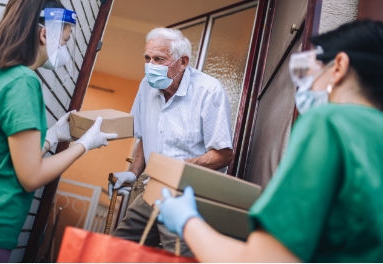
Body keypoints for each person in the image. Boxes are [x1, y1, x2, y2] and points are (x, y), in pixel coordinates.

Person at [156, 20, 383, 262]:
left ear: (338, 66)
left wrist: (187, 220)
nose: (308, 85)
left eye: (316, 72)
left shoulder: (328, 122)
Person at [0, 0, 116, 262]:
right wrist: (83, 145)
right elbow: (31, 176)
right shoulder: (23, 82)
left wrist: (51, 137)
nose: (63, 50)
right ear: (43, 34)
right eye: (64, 41)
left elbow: (7, 159)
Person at [110, 28, 233, 256]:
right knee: (117, 250)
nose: (150, 66)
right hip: (151, 185)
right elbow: (146, 138)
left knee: (179, 255)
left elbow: (224, 155)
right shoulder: (146, 88)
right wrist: (134, 172)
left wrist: (177, 170)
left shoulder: (208, 90)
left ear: (182, 62)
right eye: (147, 58)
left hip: (188, 191)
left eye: (159, 59)